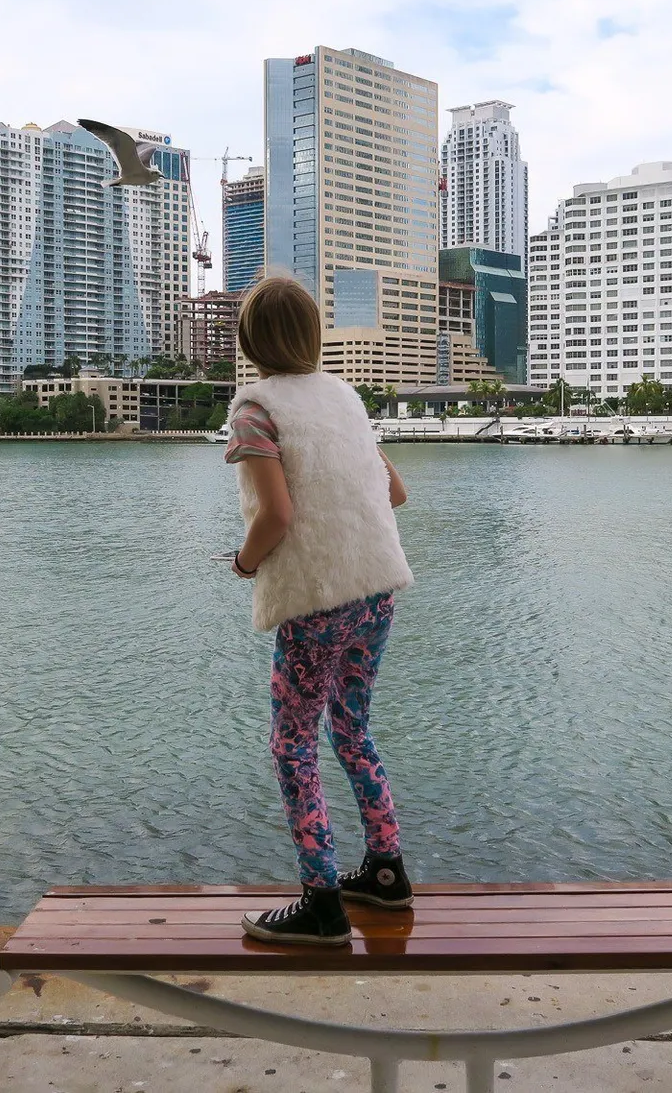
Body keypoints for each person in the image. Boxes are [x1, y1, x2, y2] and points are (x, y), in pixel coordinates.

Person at [222, 276, 415, 946]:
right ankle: (386, 872)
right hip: (375, 588)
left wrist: (245, 563)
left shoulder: (255, 409)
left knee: (292, 745)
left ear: (250, 340)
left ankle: (322, 902)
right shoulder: (344, 398)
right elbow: (394, 491)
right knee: (352, 728)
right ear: (311, 335)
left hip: (319, 599)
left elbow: (276, 516)